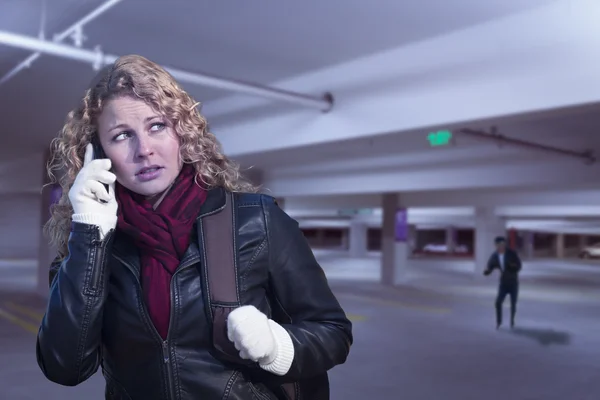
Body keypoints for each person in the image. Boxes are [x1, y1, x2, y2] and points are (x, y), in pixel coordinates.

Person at [36, 54, 352, 400]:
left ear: (181, 132)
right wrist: (90, 235)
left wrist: (278, 347)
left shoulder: (255, 221)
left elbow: (333, 332)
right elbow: (64, 368)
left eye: (157, 126)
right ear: (97, 154)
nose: (144, 150)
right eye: (122, 135)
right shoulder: (89, 244)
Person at [483, 236, 522, 329]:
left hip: (513, 283)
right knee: (498, 302)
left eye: (503, 244)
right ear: (496, 245)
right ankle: (499, 322)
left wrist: (512, 266)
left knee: (513, 303)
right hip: (503, 283)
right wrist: (487, 271)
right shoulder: (495, 255)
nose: (501, 246)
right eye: (499, 245)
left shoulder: (511, 253)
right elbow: (490, 265)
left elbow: (519, 266)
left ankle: (512, 322)